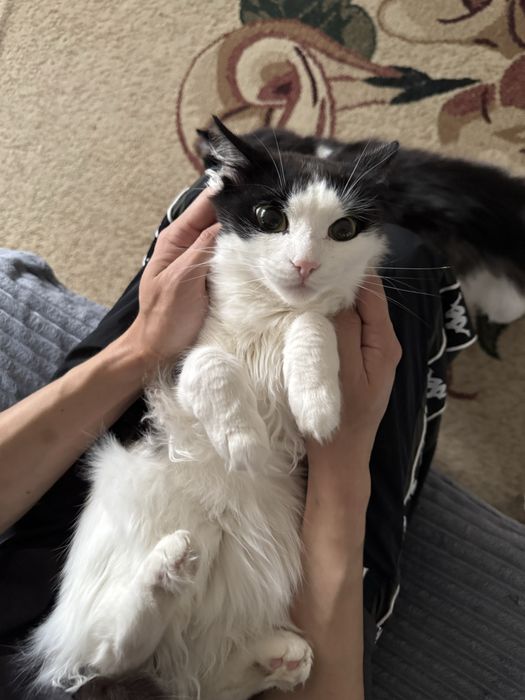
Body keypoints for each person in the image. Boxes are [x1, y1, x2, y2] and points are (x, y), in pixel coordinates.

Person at [0, 177, 475, 699]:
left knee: (215, 202)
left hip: (83, 544)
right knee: (403, 259)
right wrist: (345, 465)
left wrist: (141, 348)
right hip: (269, 581)